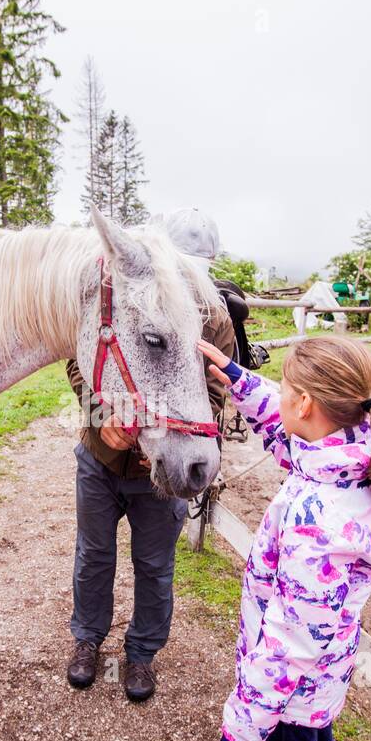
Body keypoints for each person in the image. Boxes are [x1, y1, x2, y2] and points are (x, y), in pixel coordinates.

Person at [200, 334, 371, 741]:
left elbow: (292, 637)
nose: (277, 397)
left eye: (285, 391)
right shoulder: (349, 453)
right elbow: (288, 426)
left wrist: (244, 724)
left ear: (305, 404)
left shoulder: (316, 518)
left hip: (287, 688)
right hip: (320, 679)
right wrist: (236, 378)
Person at [64, 207, 236, 702]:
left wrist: (159, 436)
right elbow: (81, 364)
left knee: (155, 564)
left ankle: (141, 654)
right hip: (100, 457)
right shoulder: (126, 299)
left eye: (197, 269)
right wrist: (101, 415)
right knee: (93, 555)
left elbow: (213, 392)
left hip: (164, 470)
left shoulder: (216, 319)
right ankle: (87, 639)